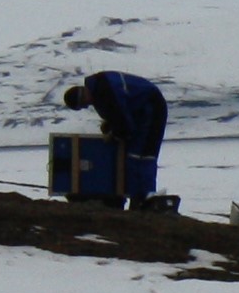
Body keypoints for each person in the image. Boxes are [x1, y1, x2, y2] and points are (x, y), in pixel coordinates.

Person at [59, 70, 168, 208]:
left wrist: (114, 134)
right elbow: (116, 117)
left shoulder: (104, 91)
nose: (88, 105)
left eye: (84, 104)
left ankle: (145, 198)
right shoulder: (98, 89)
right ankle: (138, 196)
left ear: (83, 95)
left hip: (151, 108)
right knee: (132, 157)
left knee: (143, 155)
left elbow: (123, 124)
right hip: (140, 111)